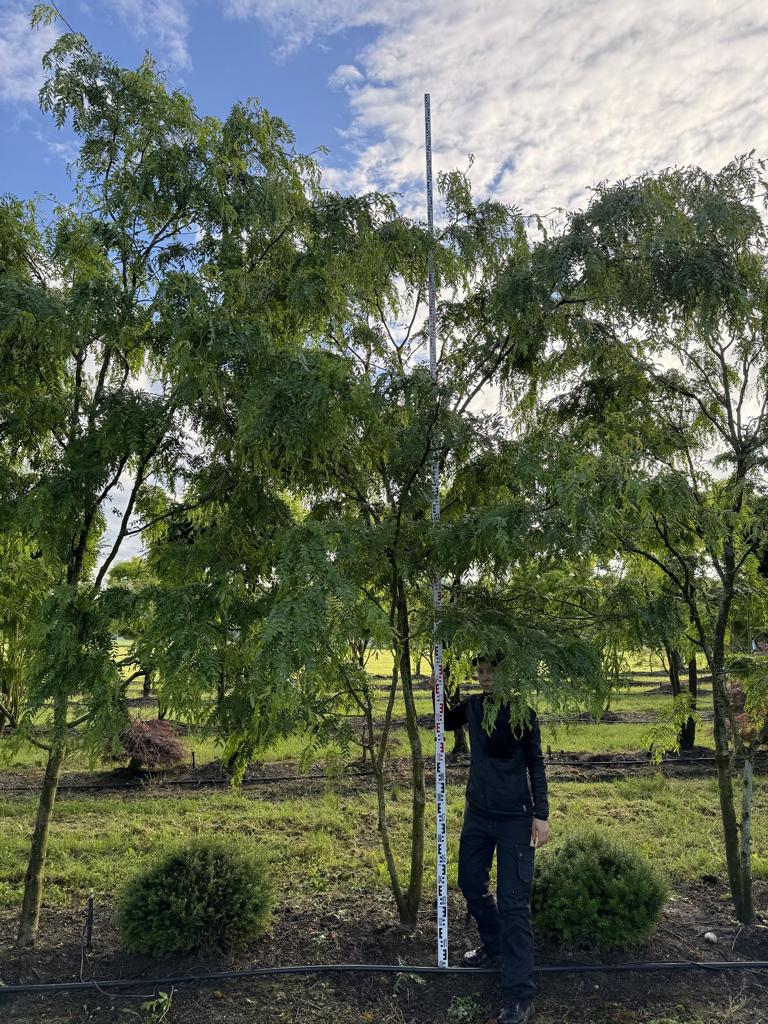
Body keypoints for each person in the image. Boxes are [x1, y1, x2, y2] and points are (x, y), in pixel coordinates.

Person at [444, 650, 550, 1024]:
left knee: (513, 902)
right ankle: (494, 945)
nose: (485, 677)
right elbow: (441, 719)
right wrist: (441, 672)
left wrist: (541, 815)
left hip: (515, 819)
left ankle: (519, 997)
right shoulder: (472, 708)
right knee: (470, 882)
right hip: (478, 813)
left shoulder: (522, 714)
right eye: (481, 671)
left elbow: (536, 762)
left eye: (491, 672)